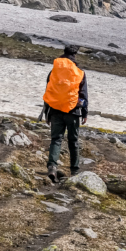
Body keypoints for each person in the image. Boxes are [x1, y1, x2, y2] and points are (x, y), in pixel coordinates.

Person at [42, 45, 88, 182]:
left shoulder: (54, 71)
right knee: (73, 141)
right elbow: (84, 95)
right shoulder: (79, 72)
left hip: (55, 109)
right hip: (73, 111)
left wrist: (47, 113)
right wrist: (85, 113)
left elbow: (49, 91)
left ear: (64, 53)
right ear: (75, 55)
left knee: (56, 139)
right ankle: (74, 171)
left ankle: (52, 167)